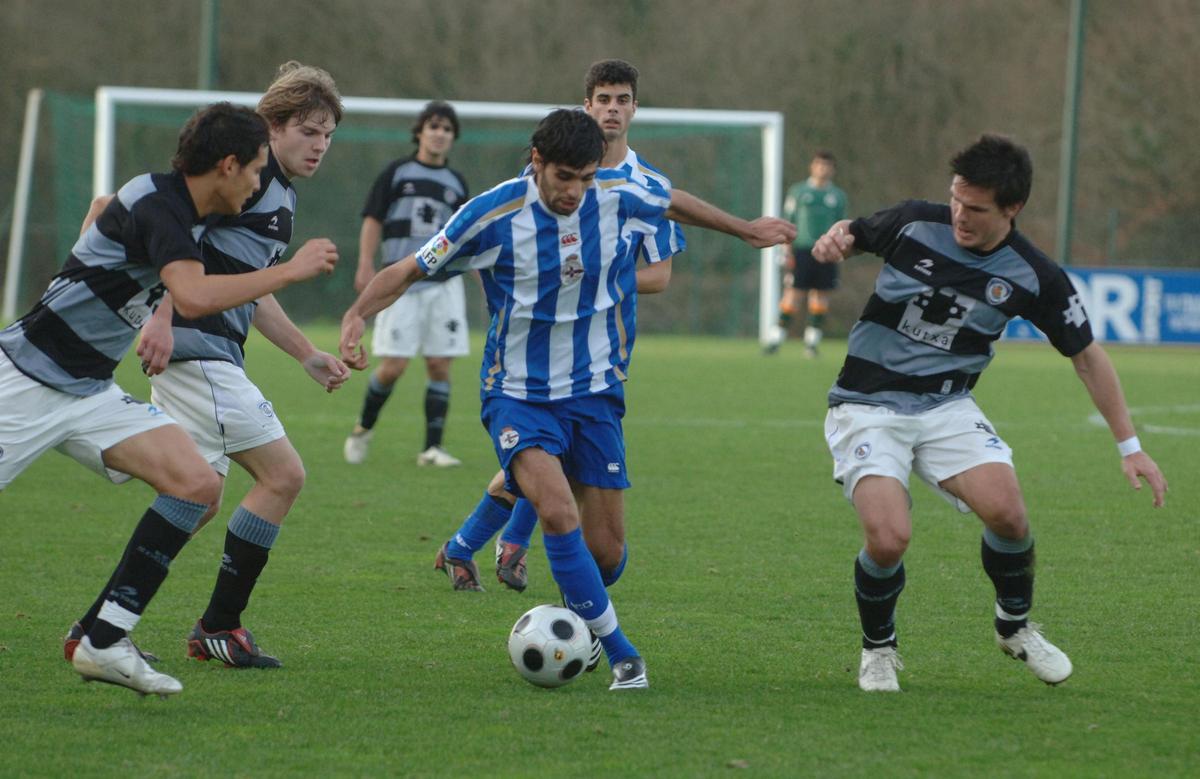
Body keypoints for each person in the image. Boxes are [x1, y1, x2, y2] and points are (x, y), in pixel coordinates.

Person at [340, 108, 794, 690]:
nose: (574, 191)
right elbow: (408, 268)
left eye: (584, 177)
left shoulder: (616, 192)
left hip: (595, 393)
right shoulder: (492, 214)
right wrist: (356, 315)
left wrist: (747, 229)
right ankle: (623, 654)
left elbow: (673, 200)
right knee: (555, 510)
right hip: (517, 394)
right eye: (563, 178)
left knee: (605, 555)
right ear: (537, 163)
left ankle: (561, 599)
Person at [0, 102, 338, 697]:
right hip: (25, 382)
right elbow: (194, 292)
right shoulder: (157, 203)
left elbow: (117, 224)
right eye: (255, 171)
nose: (260, 184)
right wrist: (289, 273)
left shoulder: (183, 212)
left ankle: (103, 639)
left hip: (88, 393)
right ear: (229, 166)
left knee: (197, 484)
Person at [810, 133, 1168, 693]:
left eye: (975, 208)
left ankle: (1014, 627)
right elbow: (854, 233)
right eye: (955, 199)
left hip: (947, 405)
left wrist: (1131, 447)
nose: (959, 215)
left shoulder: (1034, 275)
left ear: (1012, 208)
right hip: (866, 405)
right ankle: (879, 649)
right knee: (888, 539)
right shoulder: (913, 223)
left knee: (1009, 514)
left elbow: (1087, 358)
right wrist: (837, 239)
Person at [434, 59, 684, 602]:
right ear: (587, 106)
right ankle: (506, 550)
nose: (612, 109)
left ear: (634, 108)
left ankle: (470, 545)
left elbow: (660, 275)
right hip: (533, 355)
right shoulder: (545, 175)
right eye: (603, 99)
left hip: (603, 355)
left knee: (555, 471)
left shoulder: (649, 187)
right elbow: (498, 250)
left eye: (623, 99)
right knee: (548, 467)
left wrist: (590, 282)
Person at [343, 101, 471, 468]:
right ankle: (363, 427)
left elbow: (468, 236)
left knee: (439, 365)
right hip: (400, 283)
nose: (440, 134)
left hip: (445, 284)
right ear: (419, 132)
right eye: (433, 126)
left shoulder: (456, 183)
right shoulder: (397, 172)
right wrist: (366, 264)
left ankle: (432, 449)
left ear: (453, 137)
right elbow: (372, 219)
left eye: (447, 129)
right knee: (393, 366)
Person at [765, 150, 847, 357]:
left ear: (833, 169)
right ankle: (776, 339)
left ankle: (811, 343)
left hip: (827, 251)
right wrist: (785, 249)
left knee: (820, 295)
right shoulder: (798, 191)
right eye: (819, 164)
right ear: (812, 166)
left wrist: (840, 251)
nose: (823, 169)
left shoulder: (837, 196)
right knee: (793, 294)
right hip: (801, 249)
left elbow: (842, 226)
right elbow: (788, 219)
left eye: (827, 165)